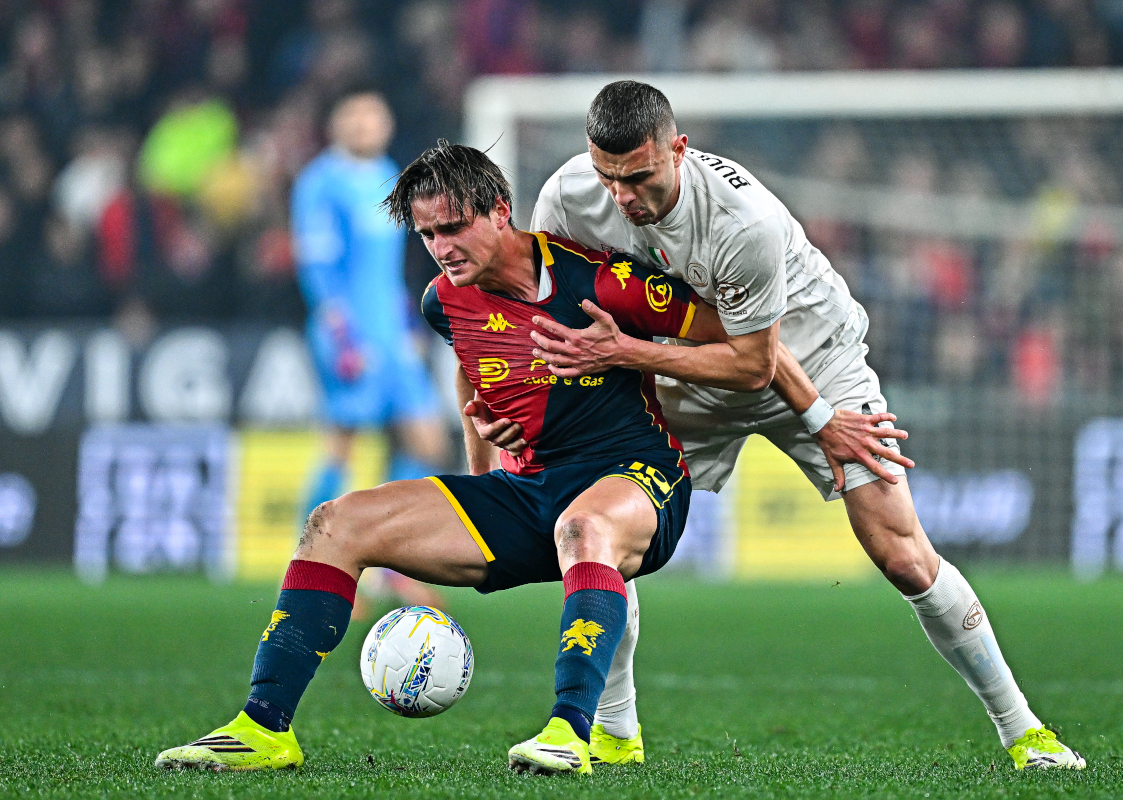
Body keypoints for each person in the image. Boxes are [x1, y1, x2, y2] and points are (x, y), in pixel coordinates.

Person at [477, 81, 1085, 771]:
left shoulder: (742, 222)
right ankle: (616, 731)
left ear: (679, 150)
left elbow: (753, 365)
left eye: (639, 177)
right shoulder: (566, 198)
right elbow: (554, 307)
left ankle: (1024, 730)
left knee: (902, 554)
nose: (621, 196)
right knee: (600, 525)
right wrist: (526, 401)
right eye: (607, 176)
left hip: (812, 361)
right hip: (676, 370)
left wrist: (824, 419)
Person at [154, 141, 741, 775]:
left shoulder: (599, 280)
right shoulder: (444, 300)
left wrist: (626, 352)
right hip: (532, 491)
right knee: (335, 523)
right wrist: (483, 463)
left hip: (639, 476)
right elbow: (470, 368)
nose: (442, 248)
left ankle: (569, 732)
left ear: (500, 211)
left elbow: (728, 341)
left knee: (585, 527)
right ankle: (262, 728)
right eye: (428, 233)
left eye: (454, 227)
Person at [292, 88, 448, 610]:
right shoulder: (320, 182)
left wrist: (407, 327)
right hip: (349, 331)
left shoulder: (388, 174)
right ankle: (313, 569)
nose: (367, 124)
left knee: (425, 441)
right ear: (337, 122)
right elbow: (319, 269)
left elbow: (392, 268)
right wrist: (342, 337)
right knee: (342, 442)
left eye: (375, 115)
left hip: (390, 328)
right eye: (355, 114)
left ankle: (386, 564)